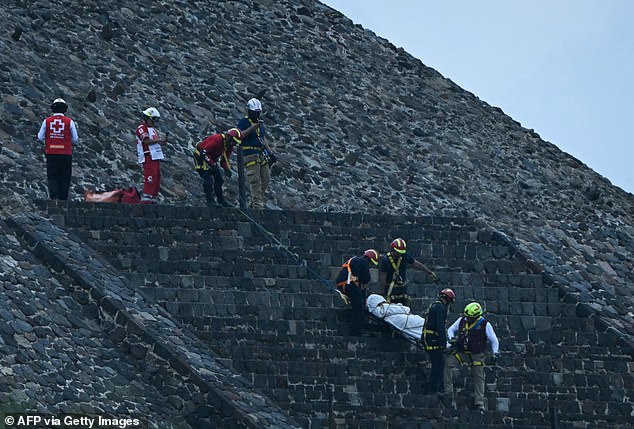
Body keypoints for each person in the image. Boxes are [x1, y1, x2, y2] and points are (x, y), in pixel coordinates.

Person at [443, 302, 500, 412]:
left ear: (476, 316)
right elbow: (451, 329)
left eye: (469, 317)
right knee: (448, 363)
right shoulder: (461, 320)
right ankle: (447, 391)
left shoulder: (484, 324)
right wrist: (451, 340)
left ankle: (479, 403)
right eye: (466, 316)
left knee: (479, 376)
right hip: (462, 352)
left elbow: (494, 340)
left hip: (476, 355)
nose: (467, 319)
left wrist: (495, 353)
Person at [192, 124, 258, 207]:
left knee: (219, 179)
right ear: (229, 137)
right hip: (200, 157)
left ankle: (221, 200)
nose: (234, 144)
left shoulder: (229, 145)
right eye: (234, 141)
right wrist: (212, 164)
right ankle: (210, 201)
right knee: (208, 179)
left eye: (236, 143)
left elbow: (225, 159)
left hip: (211, 160)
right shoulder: (217, 139)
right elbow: (203, 153)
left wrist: (226, 168)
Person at [236, 98, 277, 209]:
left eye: (258, 113)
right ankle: (257, 205)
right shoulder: (243, 122)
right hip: (250, 154)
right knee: (255, 180)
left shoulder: (260, 123)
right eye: (255, 113)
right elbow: (240, 135)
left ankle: (253, 201)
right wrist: (253, 127)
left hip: (260, 153)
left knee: (266, 177)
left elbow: (262, 138)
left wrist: (270, 152)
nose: (256, 115)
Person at [37, 98, 79, 200]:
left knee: (52, 176)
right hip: (65, 153)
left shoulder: (46, 121)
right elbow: (75, 139)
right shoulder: (69, 122)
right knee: (64, 177)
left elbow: (39, 137)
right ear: (65, 109)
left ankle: (54, 197)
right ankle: (63, 198)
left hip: (51, 153)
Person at [379, 238, 438, 305]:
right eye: (398, 253)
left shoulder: (404, 256)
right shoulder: (385, 261)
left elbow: (416, 264)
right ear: (393, 250)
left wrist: (429, 272)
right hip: (391, 290)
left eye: (401, 253)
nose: (400, 255)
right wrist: (382, 293)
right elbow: (383, 279)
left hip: (402, 289)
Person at [335, 249, 380, 336]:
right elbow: (366, 279)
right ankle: (357, 330)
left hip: (342, 284)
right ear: (370, 260)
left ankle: (356, 325)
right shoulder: (364, 262)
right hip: (348, 284)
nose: (370, 266)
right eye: (371, 264)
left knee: (358, 301)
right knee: (359, 305)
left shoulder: (356, 260)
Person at [422, 288, 456, 395]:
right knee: (438, 365)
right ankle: (435, 389)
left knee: (436, 364)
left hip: (428, 338)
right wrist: (444, 343)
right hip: (434, 340)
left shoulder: (433, 305)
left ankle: (433, 388)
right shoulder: (441, 308)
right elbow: (440, 327)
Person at [135, 107, 168, 204]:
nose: (154, 123)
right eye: (153, 120)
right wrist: (159, 140)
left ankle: (153, 198)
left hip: (155, 156)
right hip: (148, 156)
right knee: (150, 177)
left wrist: (163, 141)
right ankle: (147, 200)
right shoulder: (142, 128)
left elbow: (155, 142)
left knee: (157, 178)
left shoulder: (152, 130)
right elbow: (146, 141)